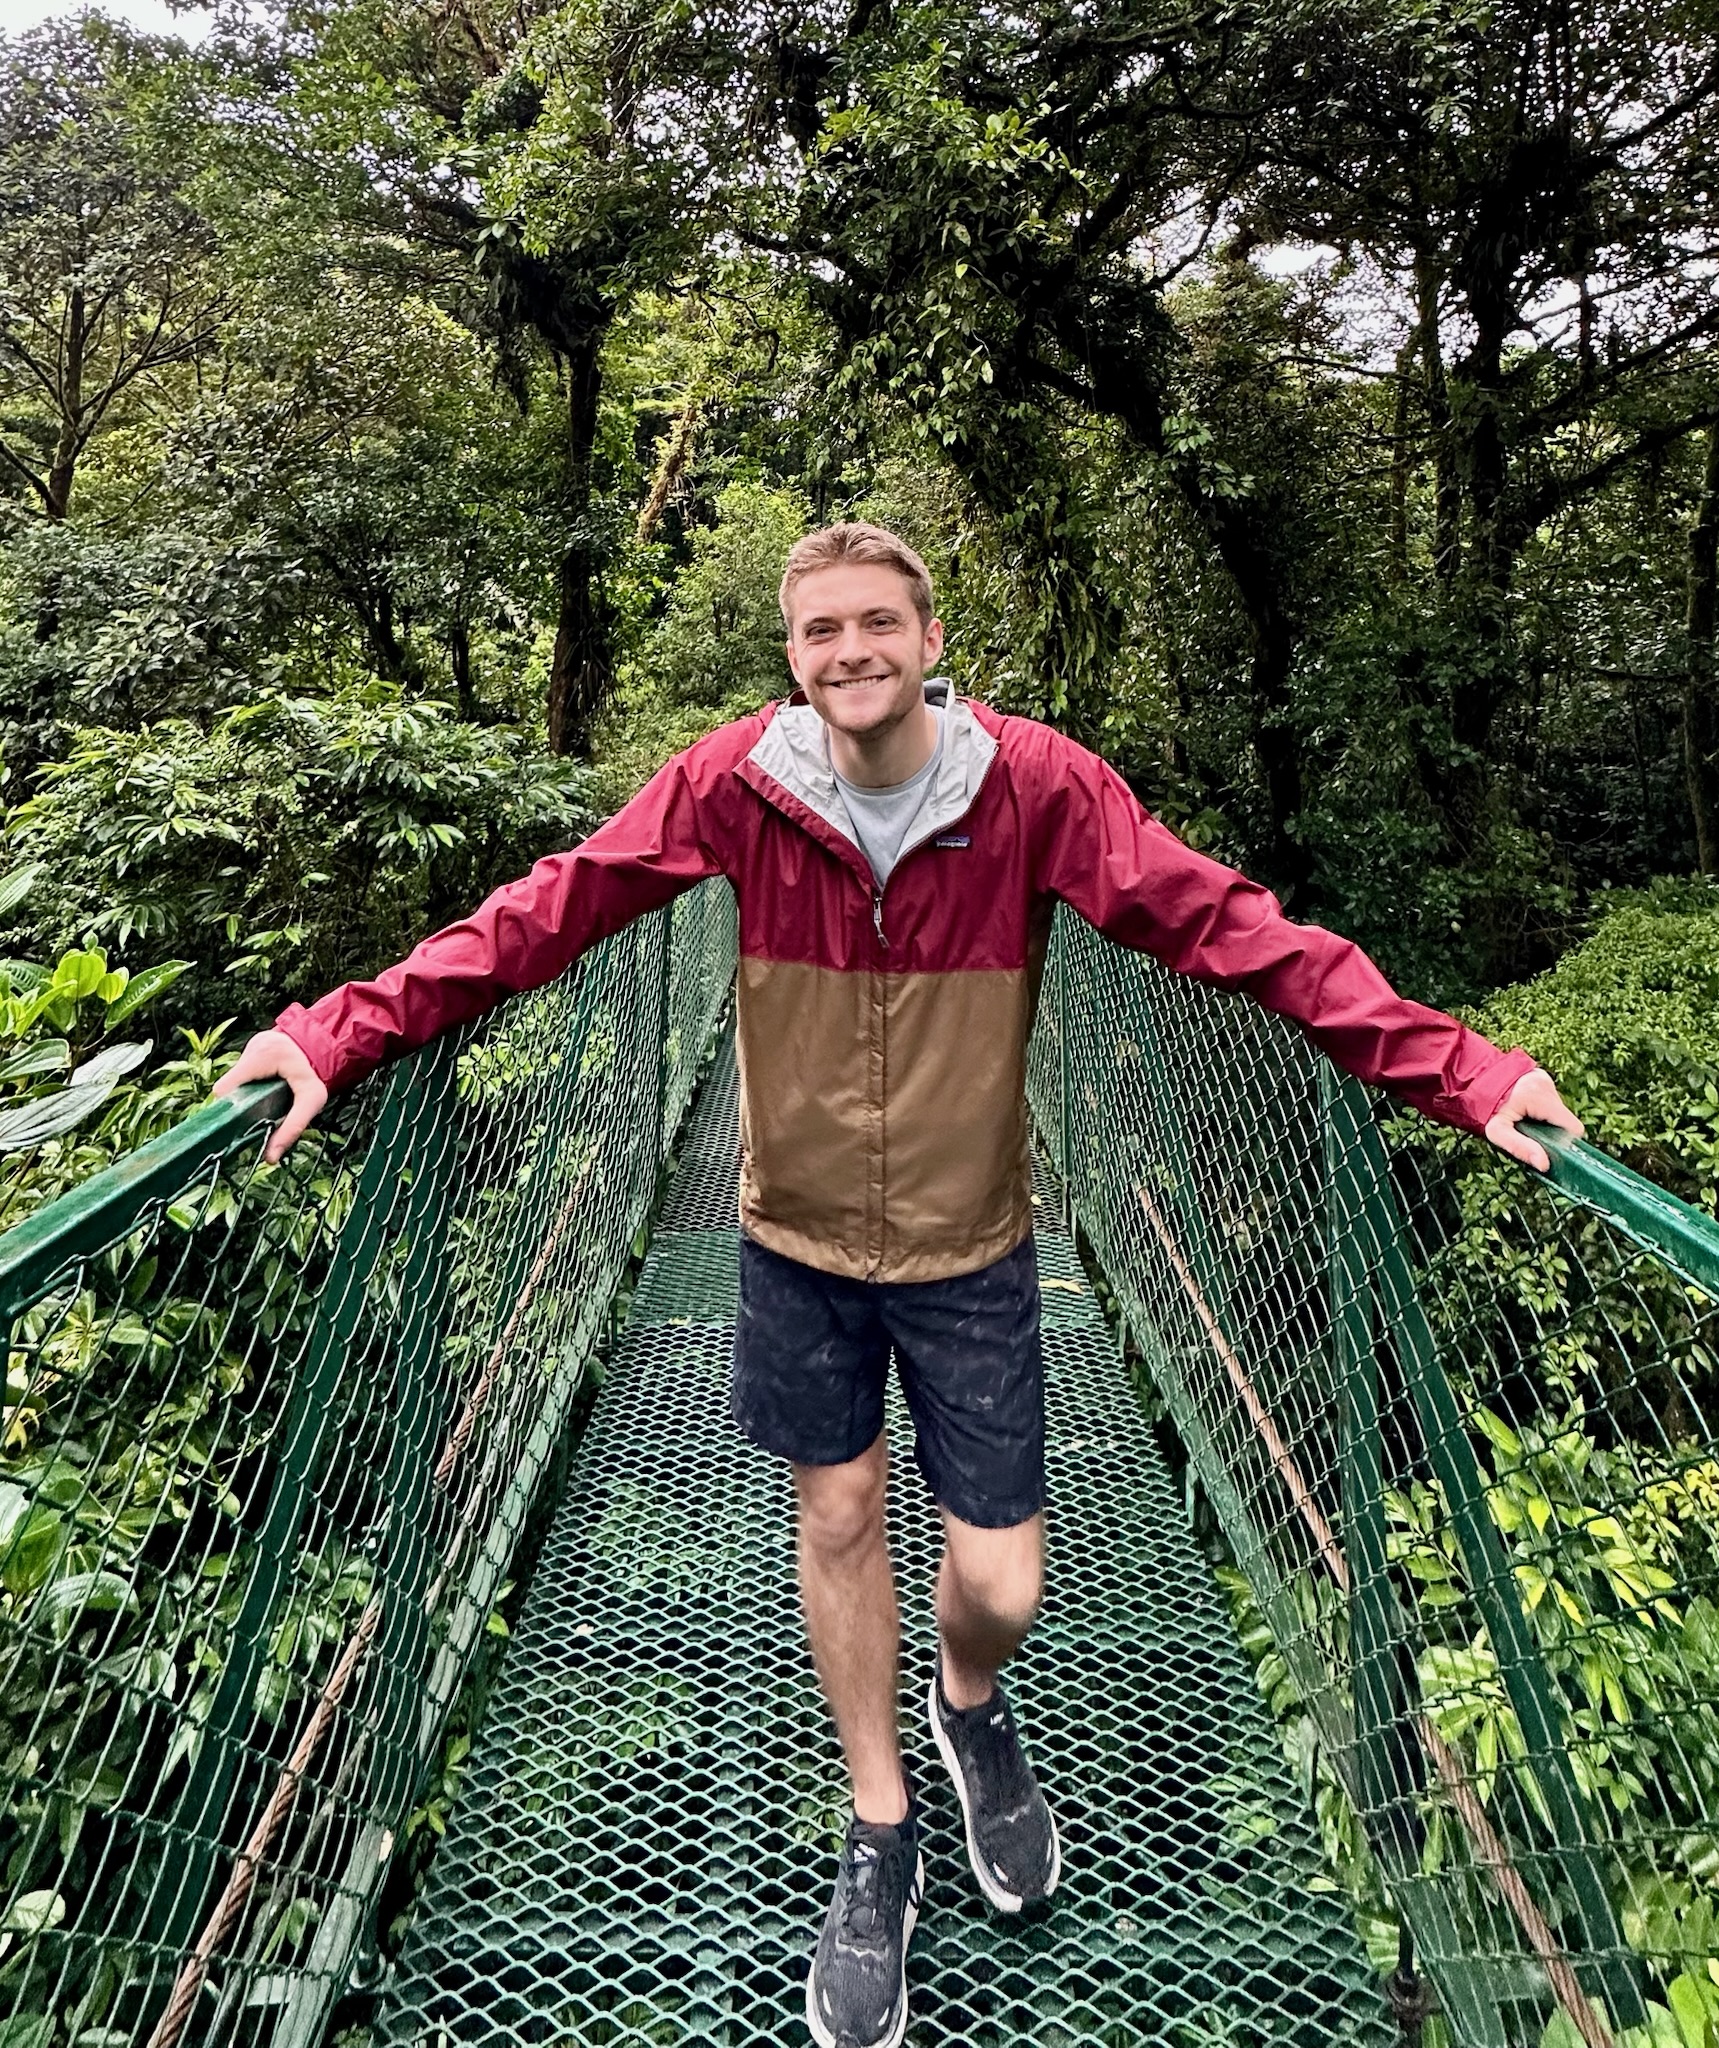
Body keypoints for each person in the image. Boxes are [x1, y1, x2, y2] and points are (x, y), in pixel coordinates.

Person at [217, 521, 1582, 2048]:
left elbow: (1231, 929)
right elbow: (550, 912)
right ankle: (881, 1827)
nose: (850, 652)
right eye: (820, 632)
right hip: (792, 1236)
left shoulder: (1039, 794)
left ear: (931, 640)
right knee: (841, 1516)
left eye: (878, 623)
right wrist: (335, 1033)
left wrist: (1459, 1071)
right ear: (792, 658)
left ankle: (968, 1703)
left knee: (1001, 1578)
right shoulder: (738, 783)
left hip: (972, 1241)